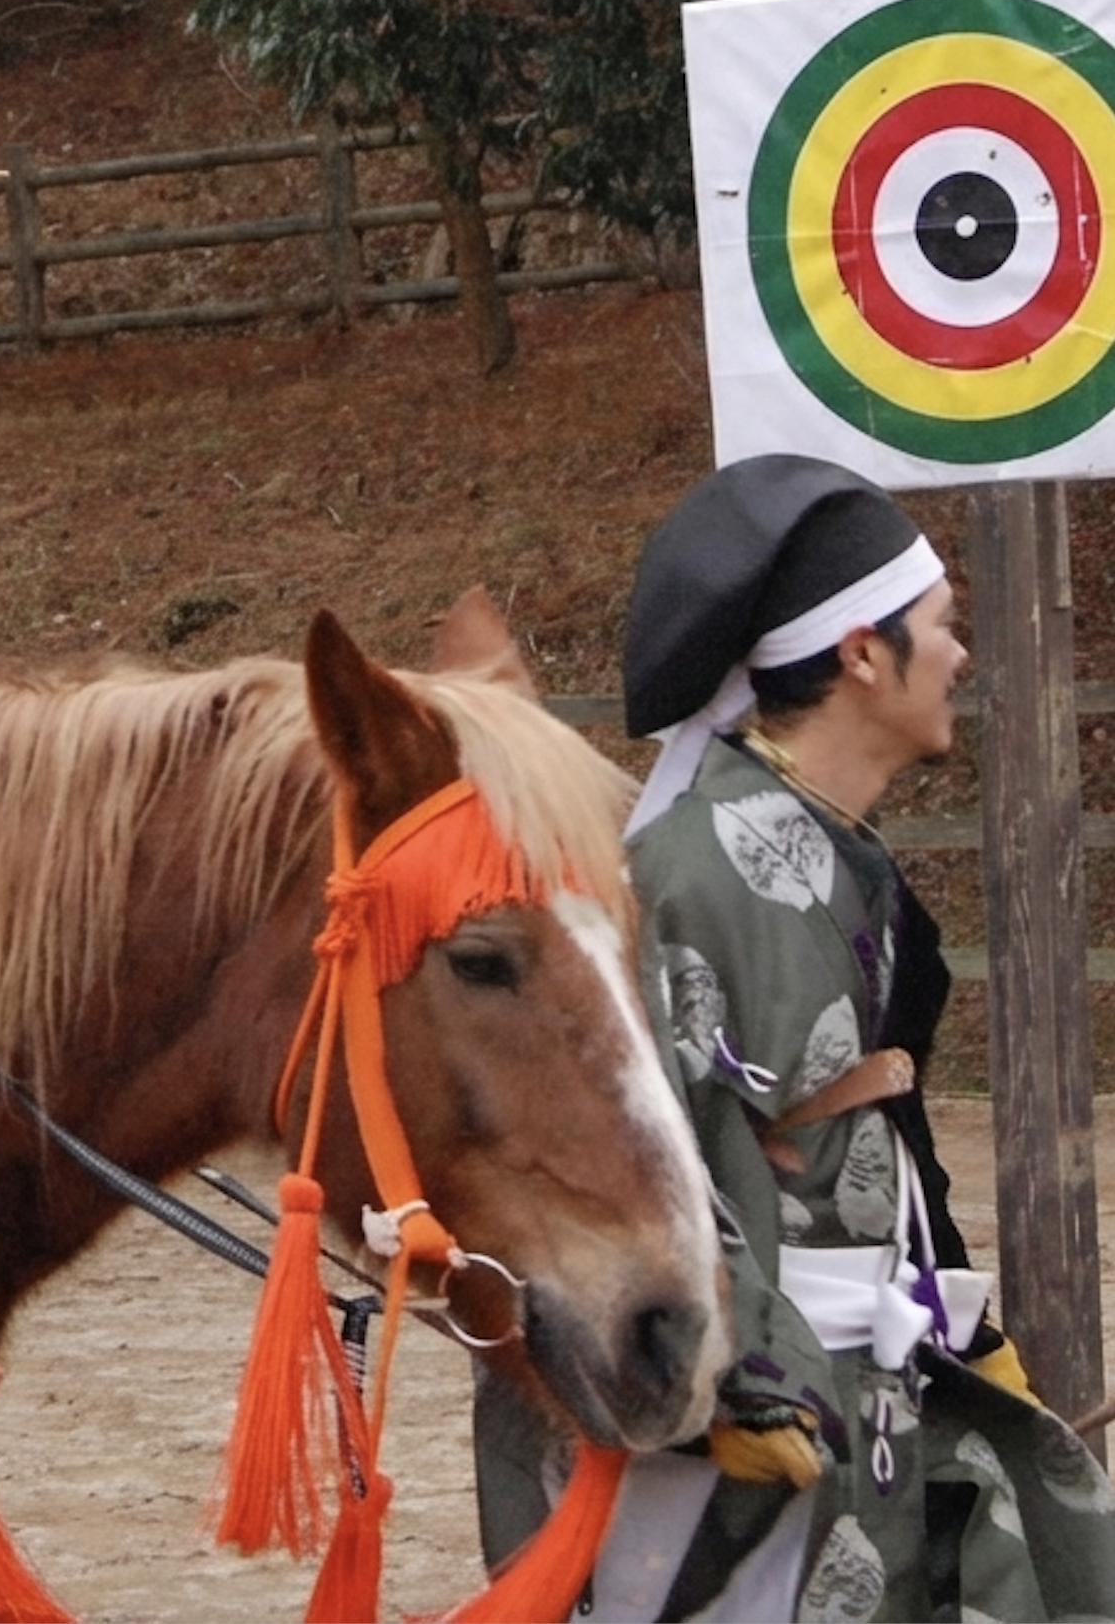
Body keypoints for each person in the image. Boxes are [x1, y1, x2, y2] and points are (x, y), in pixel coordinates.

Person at [474, 453, 1115, 1621]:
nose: (959, 654)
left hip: (866, 1383)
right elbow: (639, 1154)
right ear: (862, 653)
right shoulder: (691, 875)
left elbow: (876, 1134)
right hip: (747, 1421)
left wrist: (954, 1315)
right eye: (940, 624)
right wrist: (746, 1371)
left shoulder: (831, 855)